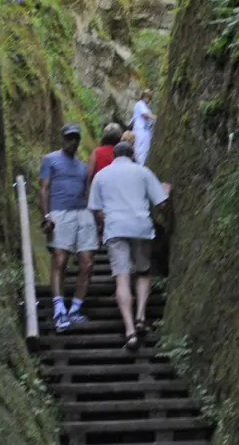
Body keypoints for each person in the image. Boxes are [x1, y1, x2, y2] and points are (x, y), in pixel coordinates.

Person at [89, 139, 171, 351]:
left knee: (122, 279)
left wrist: (101, 228)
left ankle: (130, 331)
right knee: (143, 272)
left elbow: (96, 210)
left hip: (115, 228)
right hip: (140, 227)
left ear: (114, 156)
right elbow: (161, 203)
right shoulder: (143, 172)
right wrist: (165, 192)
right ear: (132, 155)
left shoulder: (101, 175)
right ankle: (141, 316)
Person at [39, 123, 96, 332]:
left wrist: (95, 216)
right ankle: (59, 308)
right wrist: (46, 216)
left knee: (88, 264)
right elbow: (44, 189)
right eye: (69, 138)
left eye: (76, 138)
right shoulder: (50, 160)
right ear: (63, 139)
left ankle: (75, 309)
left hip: (83, 214)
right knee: (60, 258)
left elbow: (87, 193)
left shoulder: (82, 167)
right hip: (59, 213)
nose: (72, 142)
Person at [130, 90, 157, 165]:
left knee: (144, 150)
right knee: (140, 150)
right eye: (146, 96)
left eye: (148, 97)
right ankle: (139, 165)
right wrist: (157, 118)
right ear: (143, 96)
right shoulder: (140, 104)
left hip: (145, 131)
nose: (147, 98)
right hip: (140, 130)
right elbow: (145, 114)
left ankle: (140, 165)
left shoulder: (146, 107)